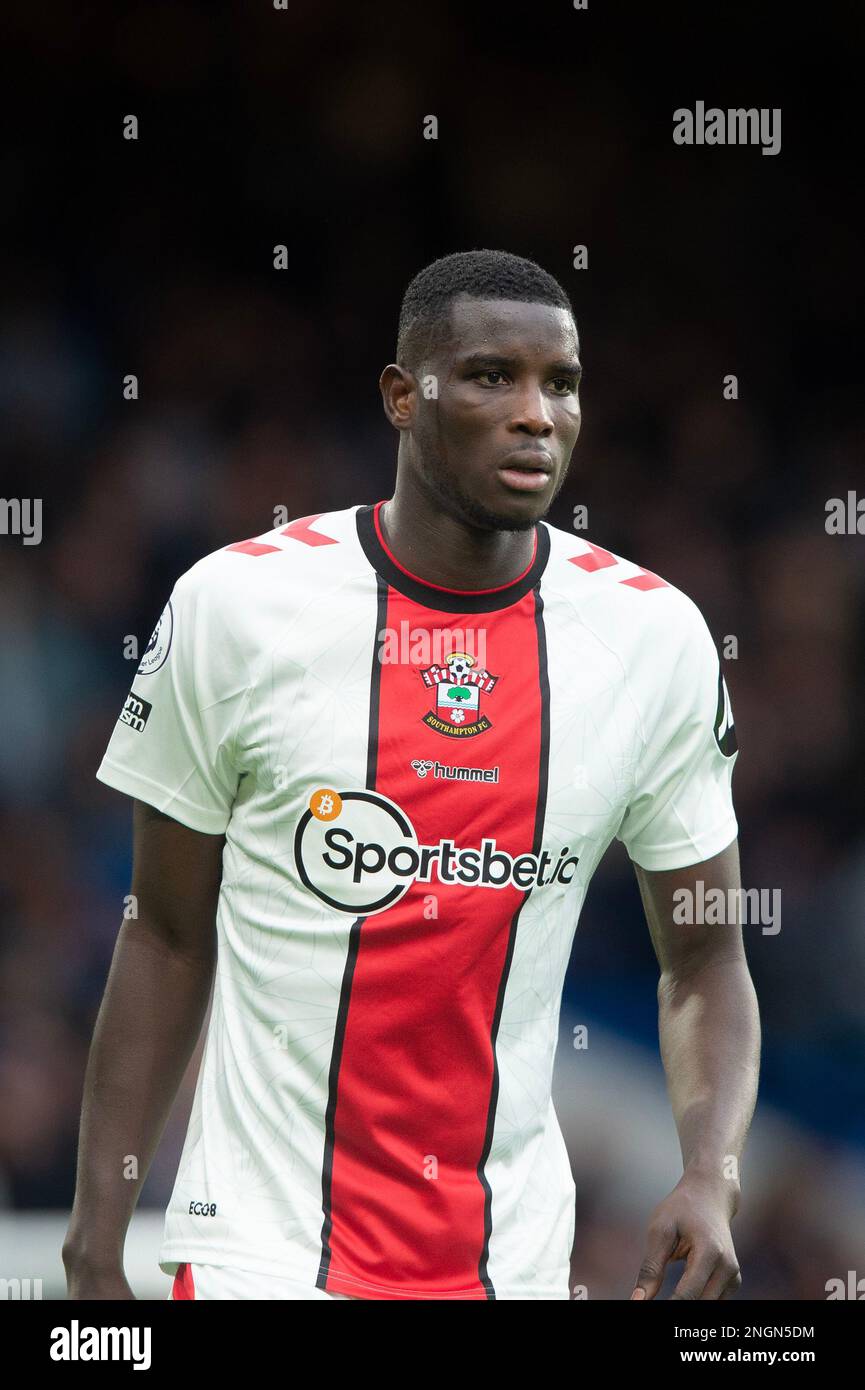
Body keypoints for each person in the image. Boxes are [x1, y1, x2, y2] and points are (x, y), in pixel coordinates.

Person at [63, 249, 758, 1301]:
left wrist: (710, 1173)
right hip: (261, 1252)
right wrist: (92, 1246)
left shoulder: (652, 640)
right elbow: (162, 931)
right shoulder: (236, 610)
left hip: (511, 1263)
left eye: (560, 384)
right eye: (491, 376)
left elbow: (704, 954)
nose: (537, 414)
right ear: (403, 395)